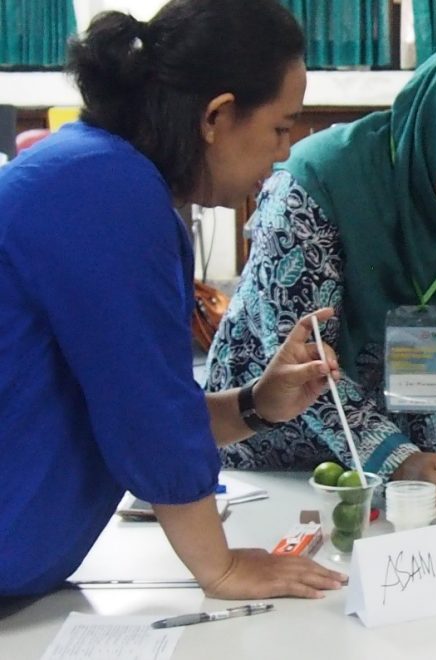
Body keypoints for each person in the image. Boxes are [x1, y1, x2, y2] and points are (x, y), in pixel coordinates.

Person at [0, 0, 346, 599]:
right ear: (217, 115)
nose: (284, 151)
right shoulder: (108, 192)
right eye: (280, 128)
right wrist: (221, 567)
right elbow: (148, 412)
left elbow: (139, 399)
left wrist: (258, 403)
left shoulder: (104, 173)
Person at [205, 42, 436, 515]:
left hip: (407, 470)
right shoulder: (317, 184)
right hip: (269, 457)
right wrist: (396, 459)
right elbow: (303, 359)